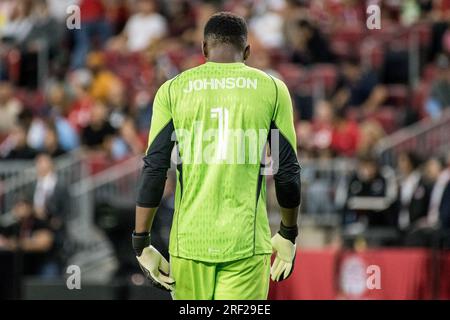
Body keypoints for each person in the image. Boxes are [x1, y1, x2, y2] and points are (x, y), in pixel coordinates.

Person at [132, 12, 301, 300]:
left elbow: (155, 168)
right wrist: (288, 231)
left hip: (188, 245)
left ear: (204, 49)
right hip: (245, 244)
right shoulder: (272, 89)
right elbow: (287, 170)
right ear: (247, 51)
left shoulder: (172, 90)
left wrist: (141, 241)